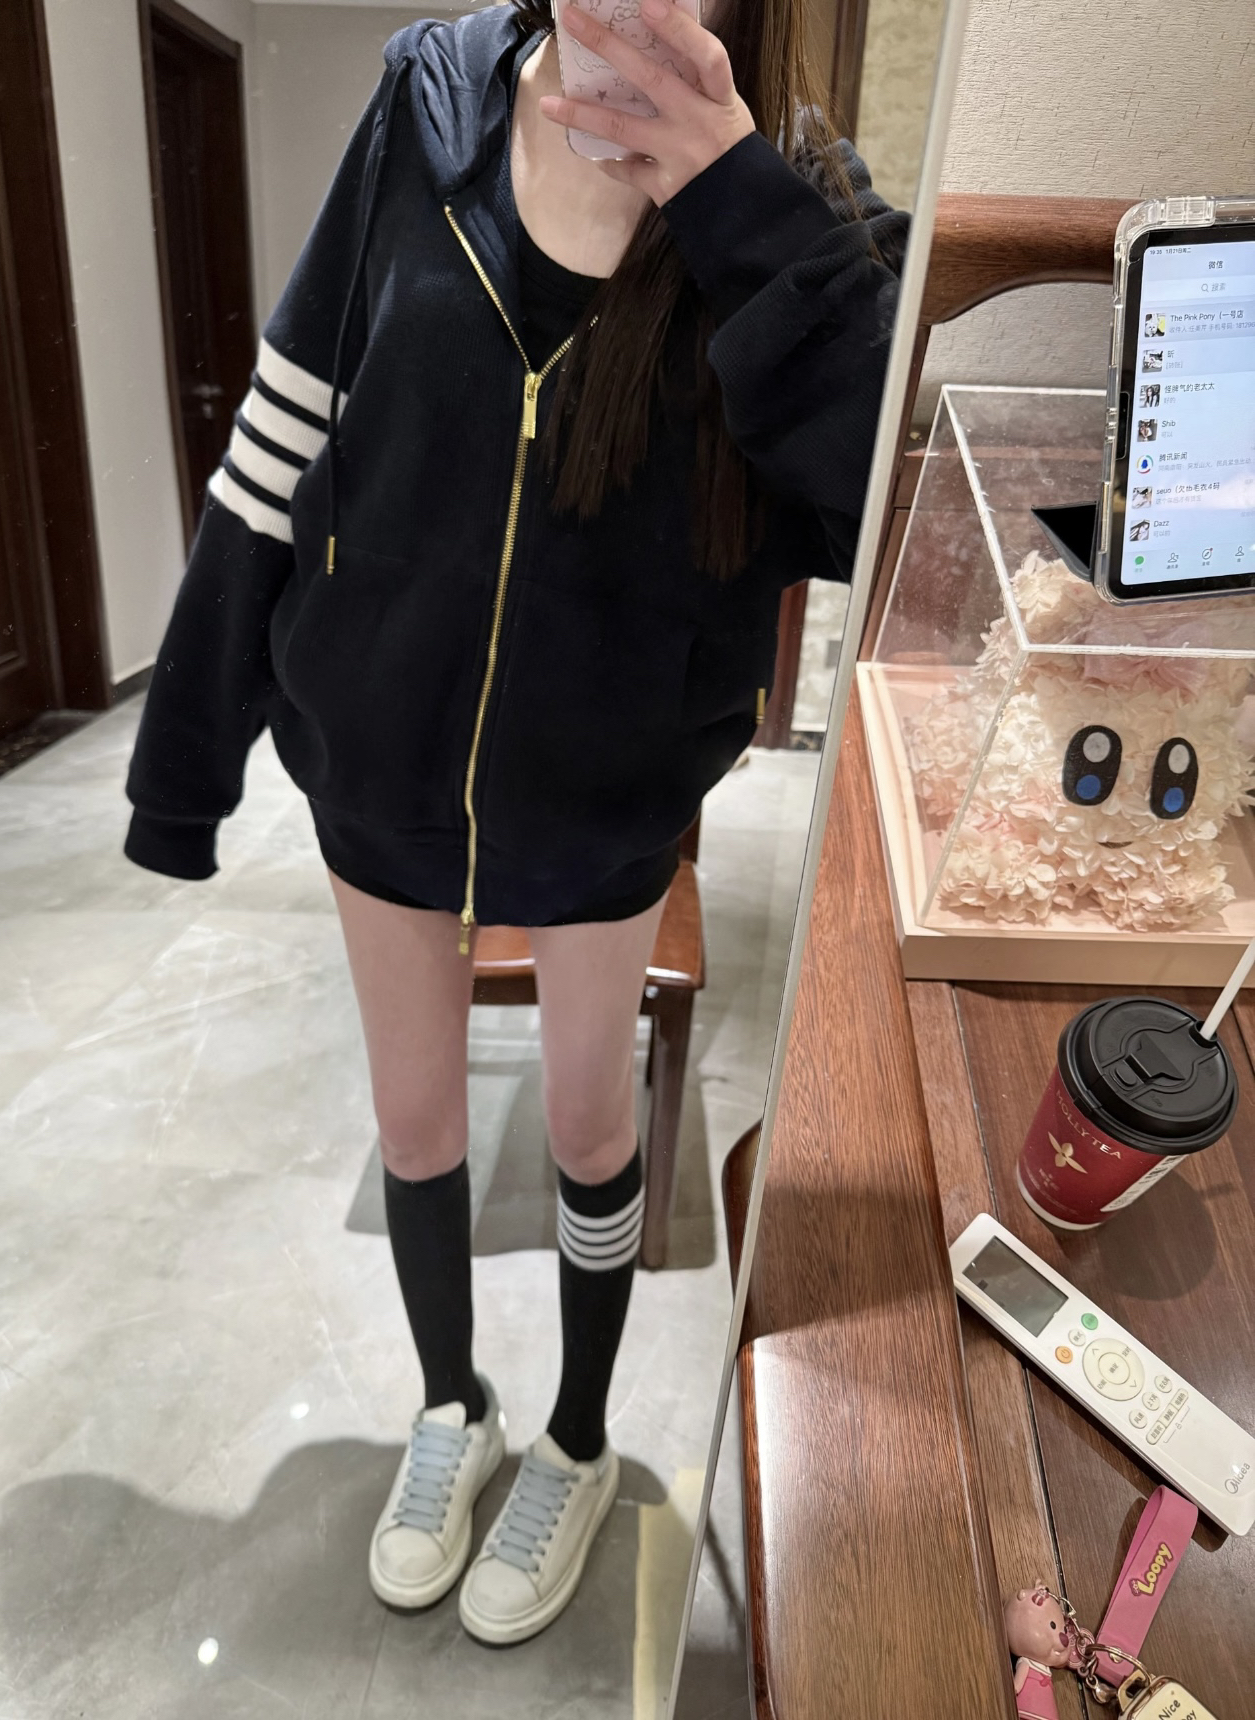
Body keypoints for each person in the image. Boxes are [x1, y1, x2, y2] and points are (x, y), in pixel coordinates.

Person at [124, 0, 907, 1645]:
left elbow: (875, 503)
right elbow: (285, 420)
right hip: (377, 759)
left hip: (605, 788)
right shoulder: (427, 107)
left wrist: (734, 202)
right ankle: (450, 1408)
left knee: (589, 1130)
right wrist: (184, 762)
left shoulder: (802, 195)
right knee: (415, 1127)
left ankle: (575, 1440)